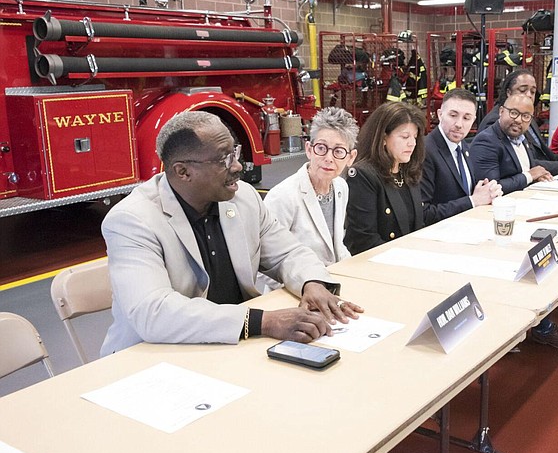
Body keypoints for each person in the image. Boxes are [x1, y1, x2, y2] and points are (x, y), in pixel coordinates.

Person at [100, 111, 362, 355]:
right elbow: (153, 312)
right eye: (224, 159)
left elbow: (287, 253)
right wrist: (263, 321)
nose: (238, 166)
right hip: (157, 354)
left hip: (233, 347)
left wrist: (311, 282)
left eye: (235, 153)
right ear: (183, 171)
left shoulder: (243, 198)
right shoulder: (132, 221)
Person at [264, 107, 359, 265]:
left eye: (339, 151)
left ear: (351, 157)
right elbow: (266, 263)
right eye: (321, 148)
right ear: (309, 149)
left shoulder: (341, 187)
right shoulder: (282, 196)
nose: (328, 158)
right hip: (296, 286)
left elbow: (337, 248)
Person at [344, 102, 426, 255]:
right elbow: (365, 240)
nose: (412, 143)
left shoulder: (407, 170)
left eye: (414, 137)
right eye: (404, 136)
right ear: (383, 138)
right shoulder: (363, 175)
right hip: (376, 263)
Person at [477, 68, 558, 176]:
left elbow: (545, 154)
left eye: (532, 92)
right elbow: (520, 163)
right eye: (522, 90)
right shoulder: (496, 120)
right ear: (508, 92)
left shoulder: (528, 117)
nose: (528, 95)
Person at [421, 88, 502, 225]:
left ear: (474, 120)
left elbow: (462, 193)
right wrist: (473, 200)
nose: (459, 124)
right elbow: (424, 213)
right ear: (440, 114)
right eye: (453, 115)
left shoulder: (463, 146)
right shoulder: (425, 151)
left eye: (466, 118)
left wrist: (485, 191)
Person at [471, 93, 556, 195]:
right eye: (514, 113)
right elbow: (490, 188)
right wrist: (529, 176)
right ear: (501, 111)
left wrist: (537, 177)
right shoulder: (486, 141)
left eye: (526, 116)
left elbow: (526, 171)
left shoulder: (522, 138)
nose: (519, 120)